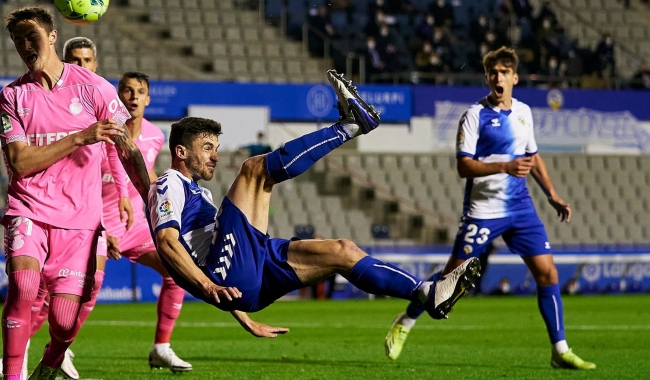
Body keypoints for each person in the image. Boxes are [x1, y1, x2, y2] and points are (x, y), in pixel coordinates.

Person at [123, 70, 481, 343]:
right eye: (206, 147)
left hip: (248, 278)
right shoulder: (170, 183)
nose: (215, 156)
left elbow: (218, 257)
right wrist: (210, 288)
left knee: (342, 250)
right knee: (253, 170)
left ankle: (427, 294)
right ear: (181, 152)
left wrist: (242, 313)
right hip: (227, 277)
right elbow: (168, 243)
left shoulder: (195, 194)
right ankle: (350, 126)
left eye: (216, 147)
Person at [383, 47, 596, 370]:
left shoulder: (525, 112)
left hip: (521, 208)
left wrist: (552, 194)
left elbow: (533, 157)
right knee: (450, 281)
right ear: (487, 77)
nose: (498, 77)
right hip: (483, 210)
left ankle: (560, 350)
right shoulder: (474, 116)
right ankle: (406, 321)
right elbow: (464, 167)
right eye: (493, 72)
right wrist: (505, 167)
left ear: (515, 78)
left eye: (504, 72)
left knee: (547, 273)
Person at [0, 7, 136, 380]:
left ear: (53, 36)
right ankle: (13, 375)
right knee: (24, 285)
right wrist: (79, 136)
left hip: (80, 222)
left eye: (32, 37)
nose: (25, 45)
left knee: (63, 320)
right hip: (28, 208)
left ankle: (54, 357)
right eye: (17, 40)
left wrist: (148, 194)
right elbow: (21, 163)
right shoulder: (12, 96)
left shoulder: (96, 88)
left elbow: (126, 147)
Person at [99, 71, 192, 372]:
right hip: (97, 224)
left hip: (135, 225)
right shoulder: (102, 132)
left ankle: (161, 347)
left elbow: (146, 174)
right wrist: (100, 226)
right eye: (127, 90)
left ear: (148, 99)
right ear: (118, 96)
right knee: (74, 290)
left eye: (140, 91)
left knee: (177, 271)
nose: (134, 96)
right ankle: (41, 351)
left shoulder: (155, 135)